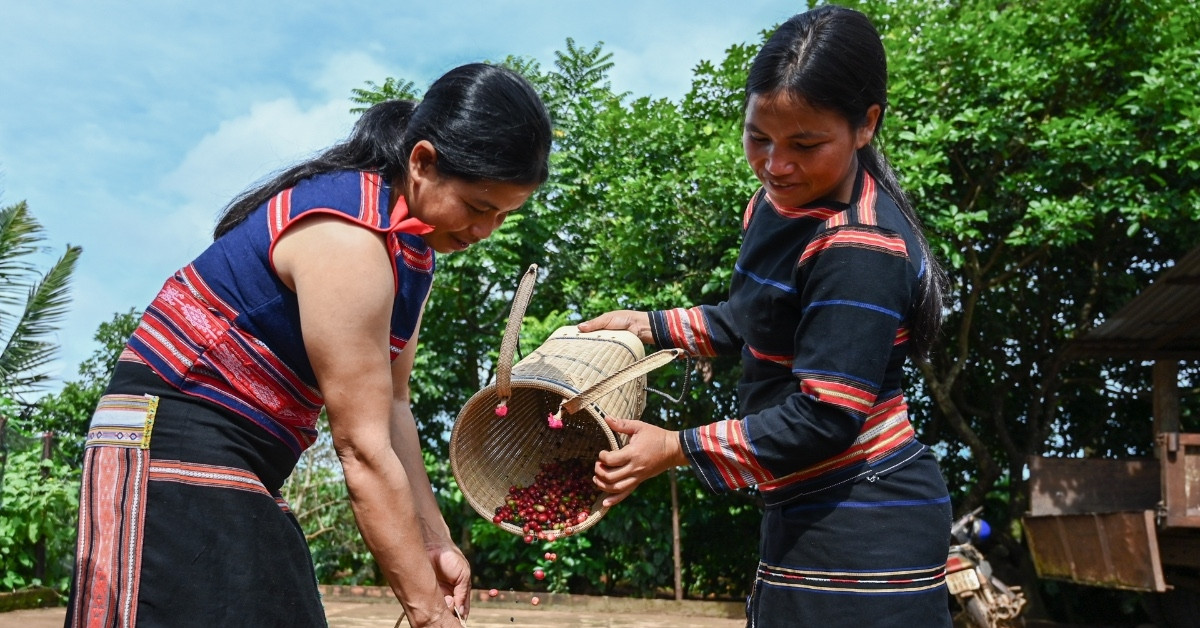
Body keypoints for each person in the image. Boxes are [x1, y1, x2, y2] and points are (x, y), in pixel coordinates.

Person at [66, 62, 552, 628]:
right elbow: (362, 449)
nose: (484, 231)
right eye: (477, 207)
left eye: (502, 216)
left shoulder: (412, 256)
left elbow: (394, 408)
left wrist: (435, 542)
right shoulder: (347, 236)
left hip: (239, 457)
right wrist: (427, 612)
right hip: (168, 438)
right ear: (421, 163)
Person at [579, 6, 953, 627]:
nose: (776, 164)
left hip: (864, 526)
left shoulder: (860, 246)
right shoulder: (778, 204)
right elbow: (754, 318)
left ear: (866, 125)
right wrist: (647, 325)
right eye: (759, 137)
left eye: (805, 145)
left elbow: (825, 416)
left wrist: (675, 448)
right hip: (804, 499)